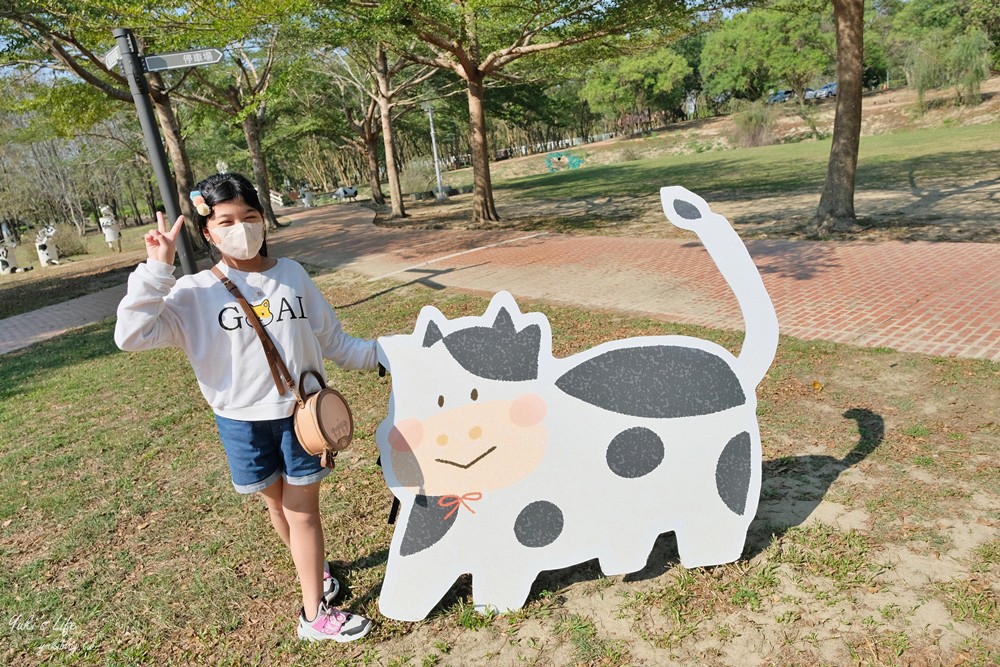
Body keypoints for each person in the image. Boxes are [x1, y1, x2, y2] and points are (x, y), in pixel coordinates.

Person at [114, 172, 375, 642]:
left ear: (263, 219)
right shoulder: (191, 292)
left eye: (249, 216)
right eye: (227, 220)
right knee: (277, 505)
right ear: (207, 231)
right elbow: (130, 336)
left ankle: (314, 614)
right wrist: (157, 269)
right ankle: (318, 576)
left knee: (303, 513)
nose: (241, 227)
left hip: (300, 416)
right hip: (240, 423)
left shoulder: (291, 274)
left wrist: (383, 355)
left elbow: (333, 340)